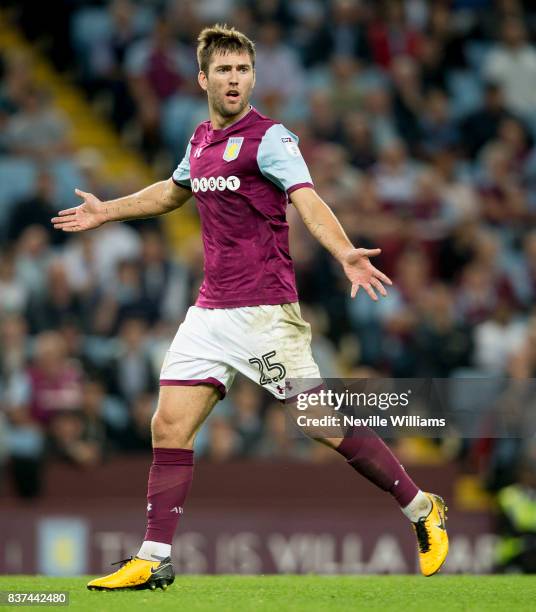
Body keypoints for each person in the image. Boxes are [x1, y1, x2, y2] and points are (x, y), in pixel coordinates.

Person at [52, 25, 448, 591]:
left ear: (253, 77)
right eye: (224, 70)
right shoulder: (199, 141)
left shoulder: (271, 138)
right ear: (203, 78)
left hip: (264, 310)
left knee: (319, 423)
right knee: (167, 425)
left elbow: (306, 199)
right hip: (211, 312)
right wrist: (106, 211)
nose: (234, 79)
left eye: (242, 70)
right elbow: (172, 191)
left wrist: (344, 254)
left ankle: (420, 508)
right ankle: (154, 555)